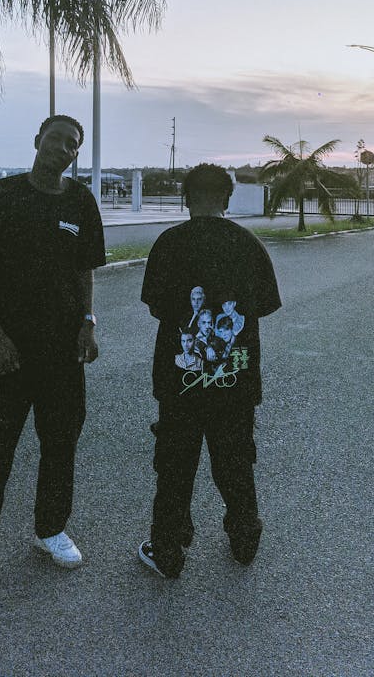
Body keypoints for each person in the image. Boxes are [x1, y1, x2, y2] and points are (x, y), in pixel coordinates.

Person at [0, 115, 106, 606]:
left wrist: (88, 323)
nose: (62, 149)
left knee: (61, 446)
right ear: (37, 140)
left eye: (72, 145)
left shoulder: (80, 201)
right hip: (9, 355)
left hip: (63, 355)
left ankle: (50, 529)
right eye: (55, 139)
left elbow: (84, 272)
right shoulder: (2, 196)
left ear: (76, 154)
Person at [138, 163, 281, 579]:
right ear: (227, 198)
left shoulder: (169, 243)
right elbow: (266, 305)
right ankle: (244, 537)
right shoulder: (248, 244)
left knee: (175, 468)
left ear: (186, 198)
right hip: (236, 381)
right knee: (236, 462)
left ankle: (168, 550)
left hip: (179, 382)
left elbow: (156, 306)